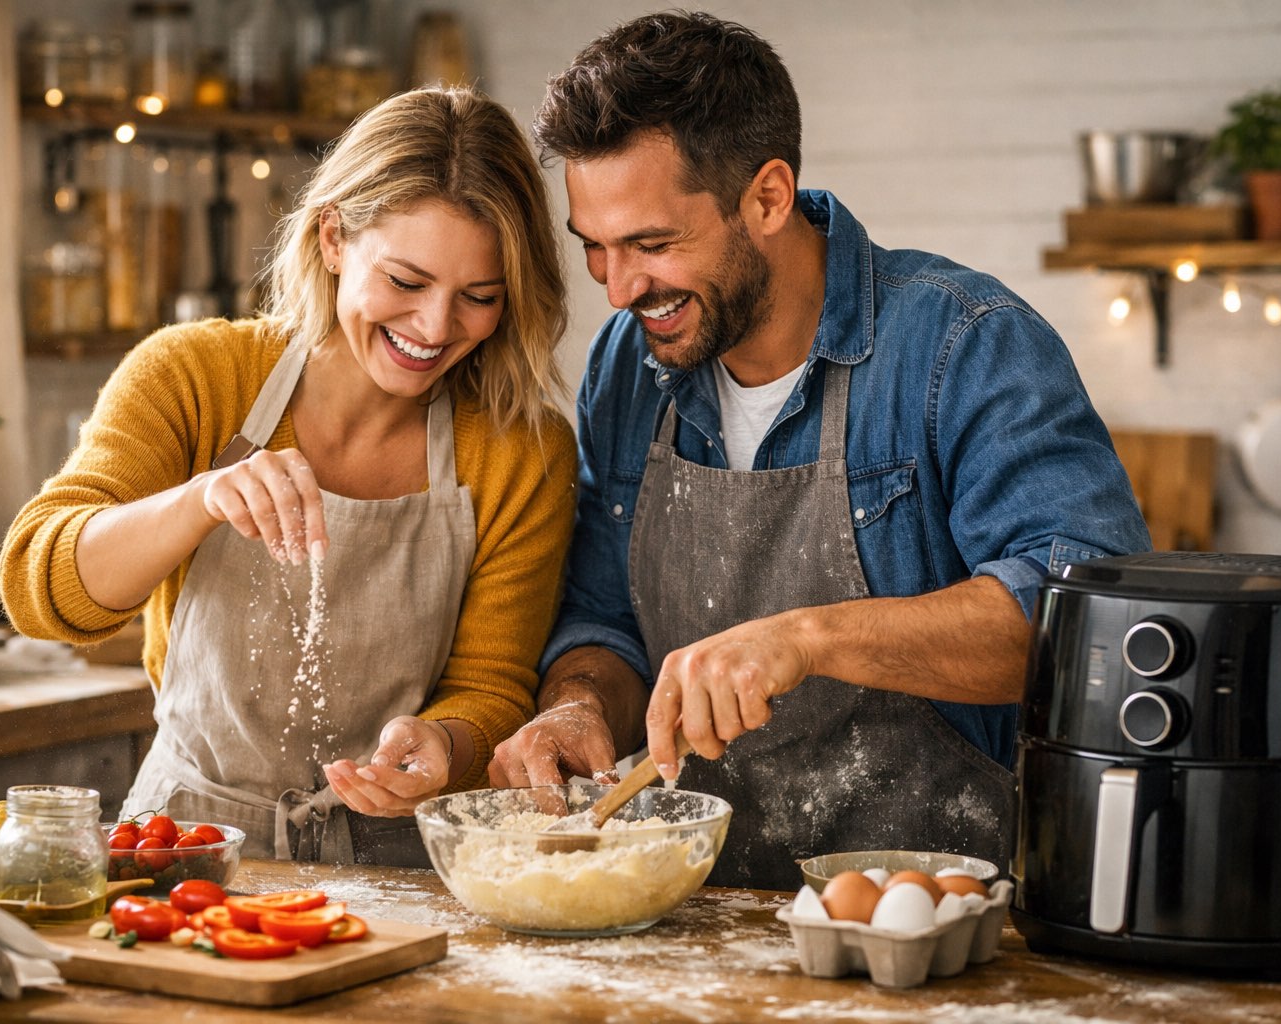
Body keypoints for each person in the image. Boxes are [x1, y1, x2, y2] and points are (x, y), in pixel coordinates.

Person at [488, 12, 1151, 891]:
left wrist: (808, 638)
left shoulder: (964, 343)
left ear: (768, 197)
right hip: (697, 908)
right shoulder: (630, 363)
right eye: (596, 249)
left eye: (653, 245)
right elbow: (605, 618)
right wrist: (578, 705)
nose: (619, 289)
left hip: (932, 911)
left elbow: (1092, 629)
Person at [0, 86, 576, 866]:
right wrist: (197, 501)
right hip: (181, 846)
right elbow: (39, 592)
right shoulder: (194, 377)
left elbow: (494, 683)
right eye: (406, 283)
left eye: (479, 297)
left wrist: (446, 742)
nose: (436, 327)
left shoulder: (520, 450)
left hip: (403, 862)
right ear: (333, 238)